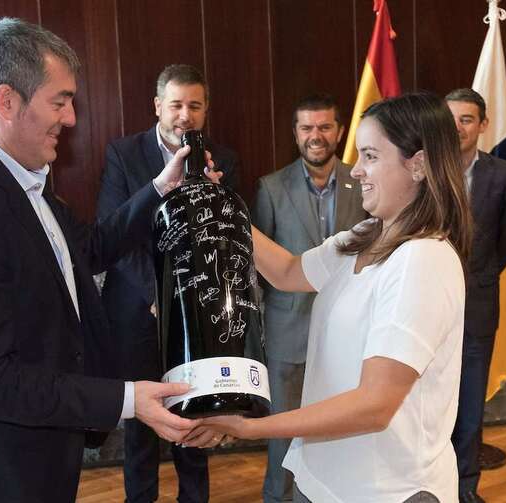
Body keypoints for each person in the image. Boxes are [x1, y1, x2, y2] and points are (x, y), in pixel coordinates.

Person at [0, 18, 206, 503]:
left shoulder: (24, 182)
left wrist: (161, 188)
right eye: (60, 101)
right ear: (7, 102)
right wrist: (129, 400)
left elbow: (86, 250)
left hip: (41, 450)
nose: (70, 118)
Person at [192, 92, 473, 502]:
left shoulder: (423, 259)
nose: (356, 170)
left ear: (418, 165)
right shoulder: (366, 235)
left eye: (371, 156)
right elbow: (288, 272)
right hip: (327, 477)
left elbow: (374, 405)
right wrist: (221, 205)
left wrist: (250, 427)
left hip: (386, 491)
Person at [96, 63, 239, 503]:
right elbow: (115, 233)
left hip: (194, 313)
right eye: (176, 104)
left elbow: (222, 238)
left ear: (205, 110)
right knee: (141, 427)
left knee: (193, 416)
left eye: (194, 106)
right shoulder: (123, 153)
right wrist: (158, 295)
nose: (185, 115)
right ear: (158, 106)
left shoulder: (222, 160)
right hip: (136, 312)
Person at [252, 93, 367, 503]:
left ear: (338, 131)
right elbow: (258, 270)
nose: (315, 136)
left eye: (324, 127)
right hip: (289, 334)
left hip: (349, 336)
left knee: (336, 436)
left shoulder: (365, 182)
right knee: (283, 434)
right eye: (306, 128)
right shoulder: (270, 187)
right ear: (295, 134)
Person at [445, 88, 506, 503]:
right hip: (427, 308)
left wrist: (479, 273)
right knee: (425, 407)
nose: (458, 126)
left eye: (467, 119)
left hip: (477, 309)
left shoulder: (502, 174)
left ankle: (464, 489)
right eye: (451, 118)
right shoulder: (424, 167)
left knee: (470, 409)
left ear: (482, 125)